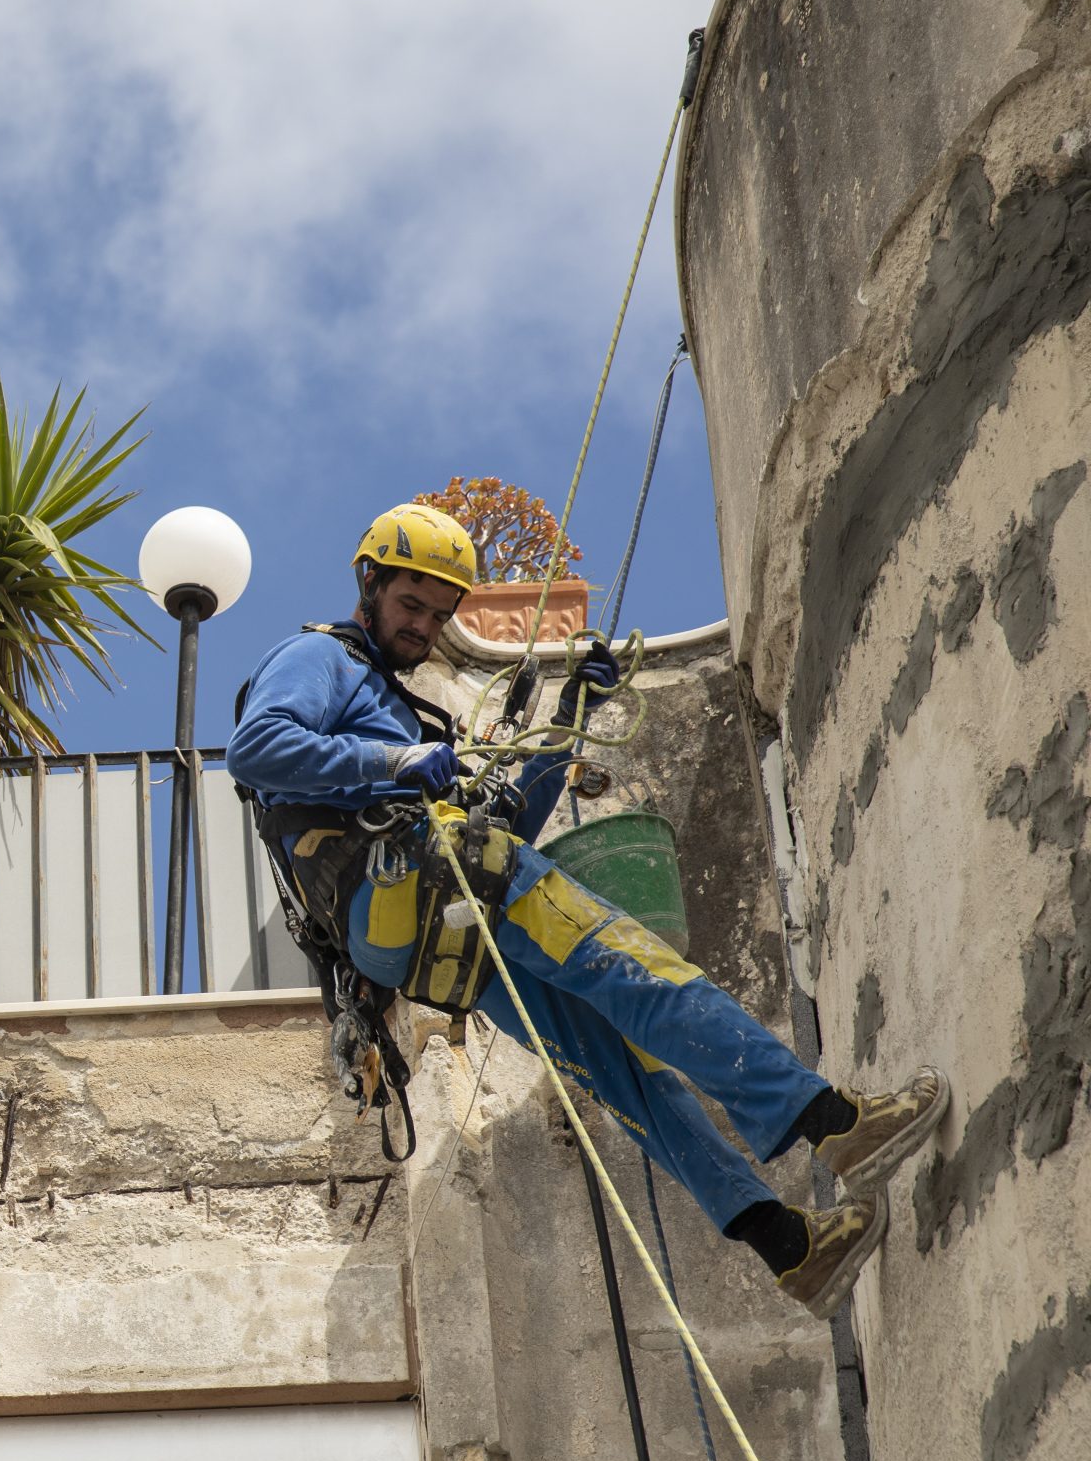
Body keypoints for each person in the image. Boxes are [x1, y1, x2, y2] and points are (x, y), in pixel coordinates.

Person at [225, 502, 948, 1316]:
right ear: (370, 585)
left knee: (623, 1069)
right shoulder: (320, 658)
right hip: (426, 881)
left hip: (440, 932)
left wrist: (568, 720)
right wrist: (397, 757)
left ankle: (790, 1247)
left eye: (439, 613)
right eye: (409, 605)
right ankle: (833, 1121)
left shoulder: (401, 712)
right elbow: (254, 747)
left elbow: (507, 821)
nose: (423, 625)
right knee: (639, 970)